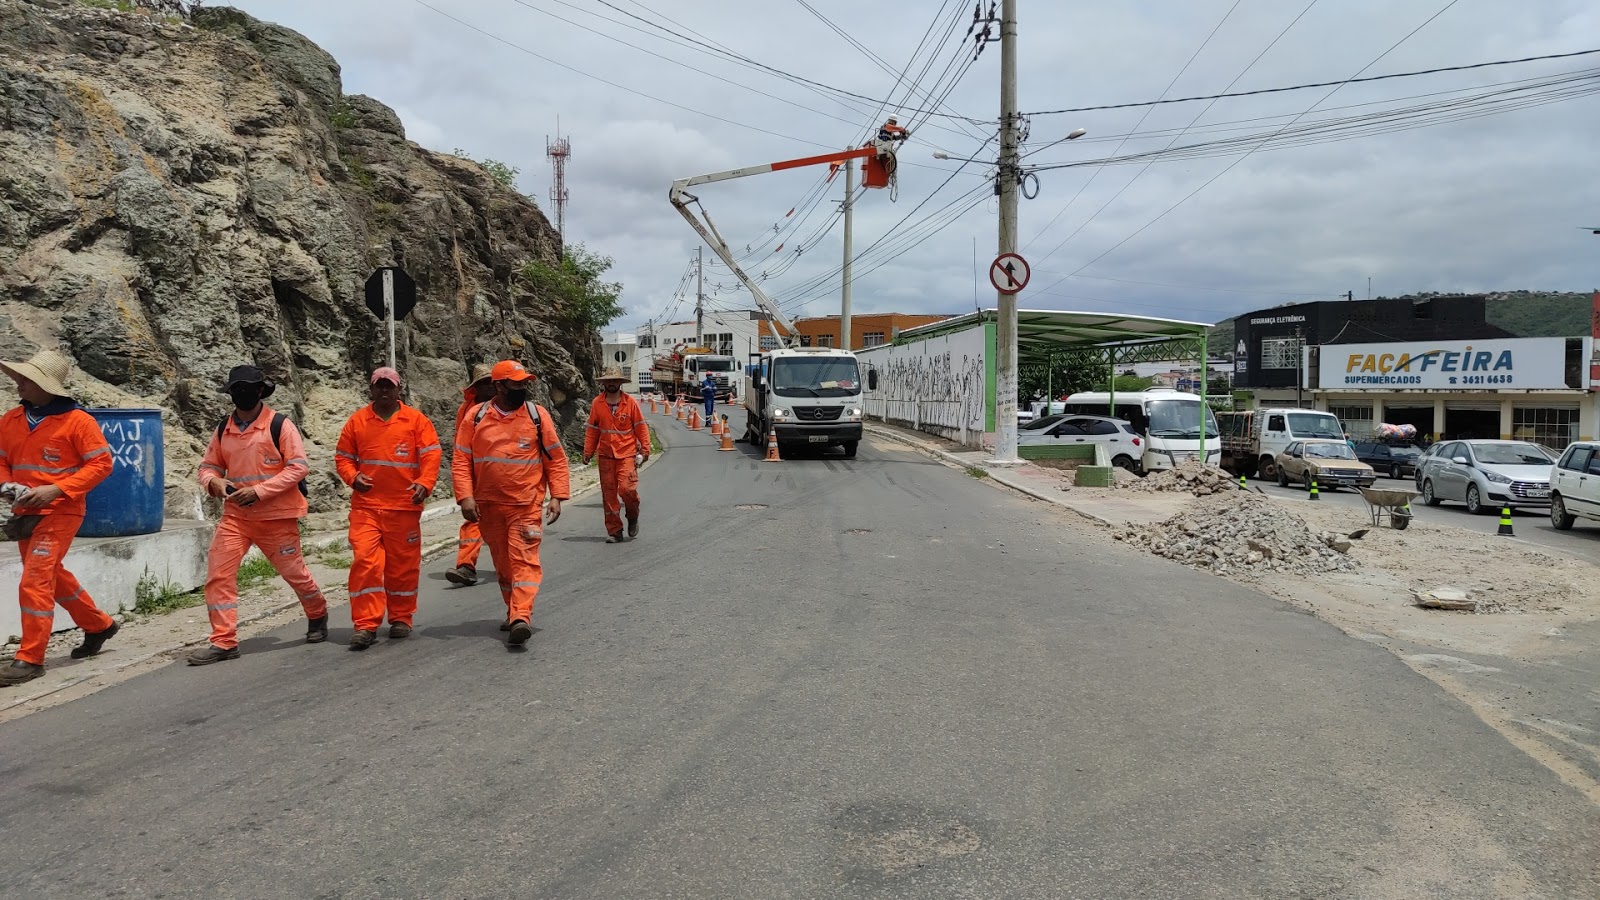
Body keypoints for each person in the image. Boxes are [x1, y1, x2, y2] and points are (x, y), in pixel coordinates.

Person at [189, 366, 327, 665]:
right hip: (236, 518)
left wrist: (259, 491)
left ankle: (317, 613)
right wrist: (214, 482)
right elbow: (208, 466)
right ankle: (224, 641)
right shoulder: (223, 428)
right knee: (218, 575)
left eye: (247, 388)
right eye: (236, 389)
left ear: (261, 391)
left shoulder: (280, 425)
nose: (241, 394)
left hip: (276, 517)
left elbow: (298, 467)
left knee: (294, 574)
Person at [0, 351, 120, 686]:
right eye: (20, 378)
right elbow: (1, 461)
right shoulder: (10, 420)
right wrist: (6, 486)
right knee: (52, 575)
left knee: (35, 580)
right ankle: (99, 625)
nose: (19, 384)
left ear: (46, 386)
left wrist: (56, 490)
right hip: (25, 512)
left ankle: (30, 658)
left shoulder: (79, 422)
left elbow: (101, 465)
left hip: (62, 511)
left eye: (26, 379)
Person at [451, 360, 571, 646]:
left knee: (524, 561)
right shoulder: (476, 417)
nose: (522, 388)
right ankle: (513, 610)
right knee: (503, 564)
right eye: (516, 384)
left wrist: (557, 496)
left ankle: (521, 616)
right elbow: (461, 460)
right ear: (499, 386)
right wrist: (465, 496)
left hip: (525, 505)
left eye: (524, 383)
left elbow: (556, 458)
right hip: (488, 506)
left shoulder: (537, 415)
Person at [334, 367, 441, 650]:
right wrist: (353, 477)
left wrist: (425, 483)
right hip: (366, 508)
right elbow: (343, 457)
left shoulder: (416, 421)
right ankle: (365, 625)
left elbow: (431, 455)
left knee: (402, 567)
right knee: (365, 563)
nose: (384, 390)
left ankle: (401, 618)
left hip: (404, 507)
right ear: (371, 389)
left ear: (398, 389)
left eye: (389, 386)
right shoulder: (357, 422)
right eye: (379, 385)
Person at [582, 367, 649, 543]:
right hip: (605, 455)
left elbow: (640, 426)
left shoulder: (630, 403)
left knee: (627, 489)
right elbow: (593, 429)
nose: (611, 383)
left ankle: (632, 515)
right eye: (608, 380)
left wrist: (645, 450)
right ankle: (615, 531)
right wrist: (588, 451)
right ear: (604, 383)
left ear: (620, 382)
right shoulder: (597, 403)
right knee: (609, 495)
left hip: (626, 454)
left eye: (615, 380)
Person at [445, 363, 494, 586]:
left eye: (492, 382)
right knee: (473, 519)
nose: (489, 387)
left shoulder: (509, 406)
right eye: (484, 383)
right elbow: (460, 445)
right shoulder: (466, 410)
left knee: (504, 523)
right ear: (476, 387)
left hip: (505, 476)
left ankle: (513, 563)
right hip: (475, 475)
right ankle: (466, 565)